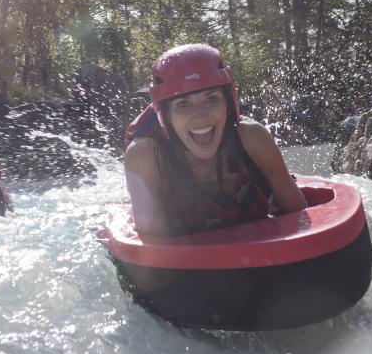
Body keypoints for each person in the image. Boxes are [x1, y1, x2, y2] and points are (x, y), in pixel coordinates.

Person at [123, 44, 307, 237]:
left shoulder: (253, 138)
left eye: (211, 99)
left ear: (228, 104)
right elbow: (154, 256)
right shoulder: (144, 157)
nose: (200, 117)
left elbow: (302, 222)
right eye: (183, 105)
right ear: (166, 116)